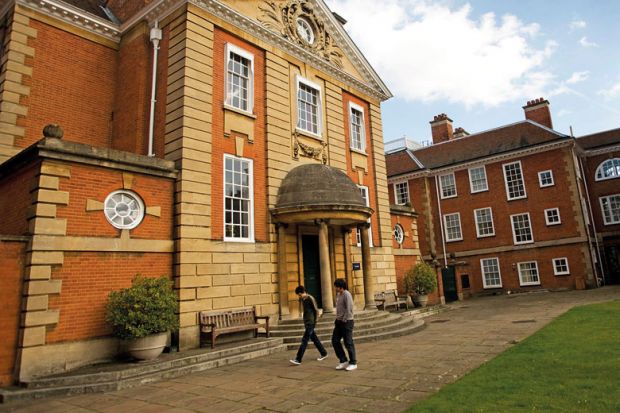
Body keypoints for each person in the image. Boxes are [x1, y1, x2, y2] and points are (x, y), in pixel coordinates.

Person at [289, 285, 328, 365]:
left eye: (299, 295)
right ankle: (324, 353)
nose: (299, 296)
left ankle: (298, 359)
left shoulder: (310, 298)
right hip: (307, 323)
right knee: (315, 339)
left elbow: (316, 310)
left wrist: (315, 322)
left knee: (304, 340)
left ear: (302, 292)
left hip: (311, 323)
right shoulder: (303, 299)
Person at [331, 278, 357, 371]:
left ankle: (353, 362)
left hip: (347, 321)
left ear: (340, 286)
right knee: (335, 341)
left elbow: (349, 308)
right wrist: (338, 319)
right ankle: (343, 360)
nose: (335, 288)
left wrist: (344, 319)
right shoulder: (339, 294)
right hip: (338, 321)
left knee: (348, 342)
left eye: (336, 286)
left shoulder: (347, 294)